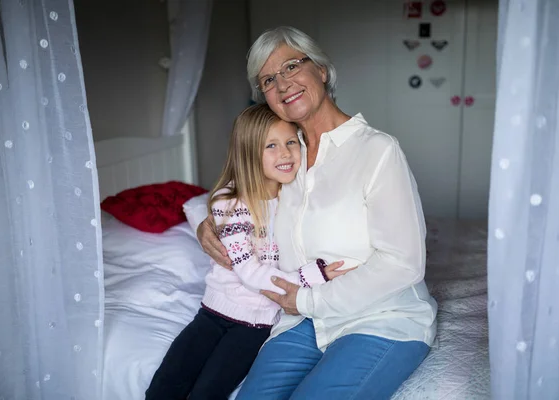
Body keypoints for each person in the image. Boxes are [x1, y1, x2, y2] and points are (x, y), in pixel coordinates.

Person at [195, 26, 438, 400]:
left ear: (321, 70)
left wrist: (307, 301)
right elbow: (238, 196)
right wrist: (205, 224)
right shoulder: (282, 156)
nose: (283, 84)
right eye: (269, 80)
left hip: (380, 318)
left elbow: (404, 263)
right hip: (302, 324)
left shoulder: (376, 151)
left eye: (292, 66)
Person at [145, 104, 352, 400]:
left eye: (290, 142)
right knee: (165, 385)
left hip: (255, 326)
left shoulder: (294, 198)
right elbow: (250, 274)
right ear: (249, 153)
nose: (285, 153)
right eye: (271, 145)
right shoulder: (229, 203)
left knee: (207, 393)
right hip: (213, 314)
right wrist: (309, 276)